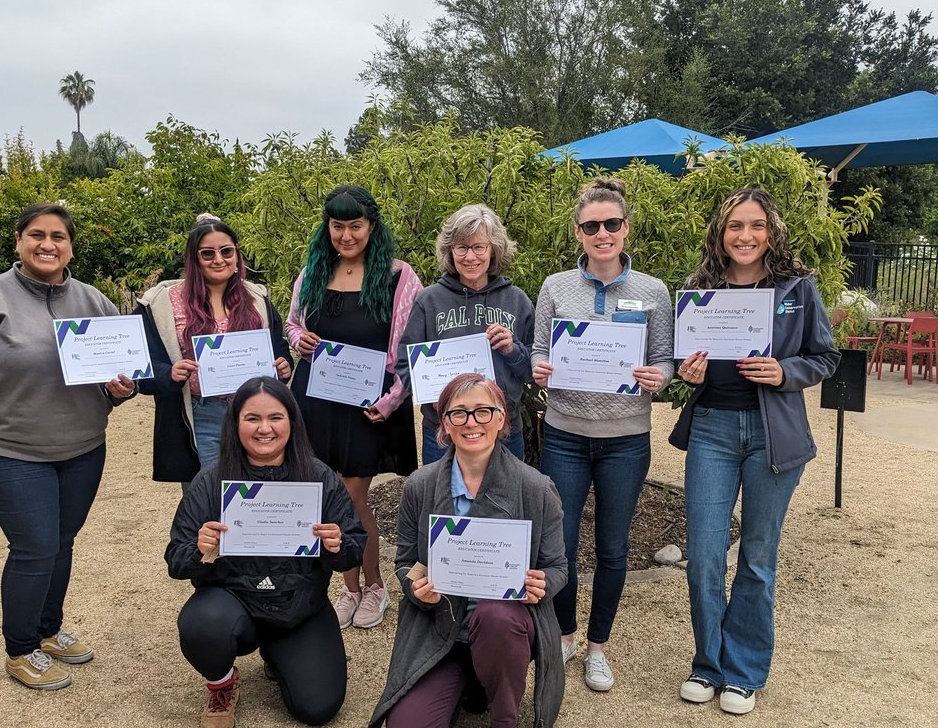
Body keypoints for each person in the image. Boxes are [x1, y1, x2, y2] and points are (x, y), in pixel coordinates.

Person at [0, 202, 137, 690]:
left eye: (58, 237)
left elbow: (115, 376)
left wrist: (120, 390)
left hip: (83, 449)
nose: (47, 244)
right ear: (19, 240)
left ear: (71, 246)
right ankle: (20, 647)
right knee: (35, 548)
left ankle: (48, 631)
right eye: (37, 234)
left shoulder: (94, 302)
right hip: (11, 452)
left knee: (62, 543)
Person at [671, 187, 839, 715]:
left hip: (773, 435)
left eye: (756, 226)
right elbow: (683, 359)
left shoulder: (797, 289)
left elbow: (826, 356)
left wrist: (787, 371)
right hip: (712, 432)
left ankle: (743, 672)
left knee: (758, 556)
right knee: (703, 554)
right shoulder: (698, 289)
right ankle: (708, 664)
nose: (745, 236)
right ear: (720, 233)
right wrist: (686, 371)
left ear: (772, 231)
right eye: (735, 226)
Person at [365, 374, 566, 728]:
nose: (471, 421)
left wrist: (543, 583)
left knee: (495, 616)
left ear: (500, 419)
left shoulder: (535, 488)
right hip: (443, 628)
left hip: (503, 625)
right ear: (445, 423)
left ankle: (503, 725)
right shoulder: (420, 487)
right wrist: (413, 585)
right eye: (459, 413)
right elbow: (405, 562)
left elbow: (559, 567)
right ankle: (471, 680)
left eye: (483, 411)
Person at [530, 176, 674, 692]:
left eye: (611, 224)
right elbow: (536, 350)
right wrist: (541, 367)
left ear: (626, 228)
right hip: (565, 432)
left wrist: (662, 377)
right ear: (578, 233)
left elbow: (664, 359)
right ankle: (565, 636)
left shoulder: (653, 291)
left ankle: (598, 648)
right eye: (592, 226)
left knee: (613, 547)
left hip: (626, 438)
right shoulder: (555, 287)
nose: (602, 233)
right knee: (561, 546)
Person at [165, 377, 366, 728]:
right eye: (252, 418)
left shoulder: (319, 477)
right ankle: (221, 683)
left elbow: (353, 547)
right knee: (202, 625)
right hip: (232, 601)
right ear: (235, 423)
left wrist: (338, 544)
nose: (264, 429)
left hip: (299, 606)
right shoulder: (211, 482)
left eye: (275, 417)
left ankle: (280, 654)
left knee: (318, 708)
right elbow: (176, 561)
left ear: (292, 421)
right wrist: (199, 547)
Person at [286, 185, 421, 630]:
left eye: (355, 226)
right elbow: (292, 324)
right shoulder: (312, 271)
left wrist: (393, 399)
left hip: (370, 404)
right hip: (318, 400)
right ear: (327, 227)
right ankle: (349, 588)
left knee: (351, 495)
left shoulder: (400, 277)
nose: (346, 235)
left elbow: (409, 346)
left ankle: (376, 585)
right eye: (338, 225)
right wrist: (297, 340)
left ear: (372, 227)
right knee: (326, 494)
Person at [137, 214, 292, 485]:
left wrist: (283, 366)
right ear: (194, 259)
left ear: (237, 255)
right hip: (201, 414)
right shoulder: (163, 303)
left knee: (259, 490)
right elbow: (144, 367)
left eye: (226, 251)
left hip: (255, 411)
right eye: (207, 253)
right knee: (211, 497)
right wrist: (170, 372)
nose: (218, 260)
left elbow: (279, 349)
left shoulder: (257, 298)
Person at [399, 204, 534, 464]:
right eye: (461, 247)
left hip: (502, 429)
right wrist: (434, 395)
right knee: (443, 504)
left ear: (494, 249)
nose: (470, 257)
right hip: (444, 432)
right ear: (450, 251)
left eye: (478, 247)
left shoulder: (516, 301)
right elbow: (404, 365)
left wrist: (513, 350)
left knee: (503, 503)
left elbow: (533, 371)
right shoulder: (429, 301)